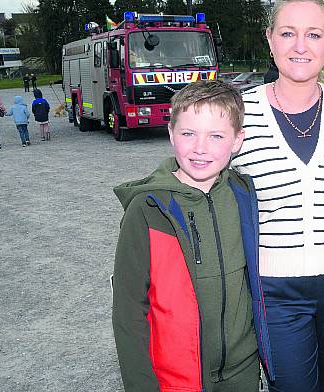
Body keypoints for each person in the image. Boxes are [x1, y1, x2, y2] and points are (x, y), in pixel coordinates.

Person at [230, 1, 324, 391]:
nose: (301, 45)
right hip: (275, 287)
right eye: (287, 33)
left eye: (313, 34)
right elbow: (198, 172)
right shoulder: (238, 113)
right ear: (270, 40)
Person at [112, 80, 273, 392]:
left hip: (243, 369)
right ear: (171, 133)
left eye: (216, 136)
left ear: (238, 140)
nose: (201, 147)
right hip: (176, 375)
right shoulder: (147, 210)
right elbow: (128, 311)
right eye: (189, 133)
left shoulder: (242, 194)